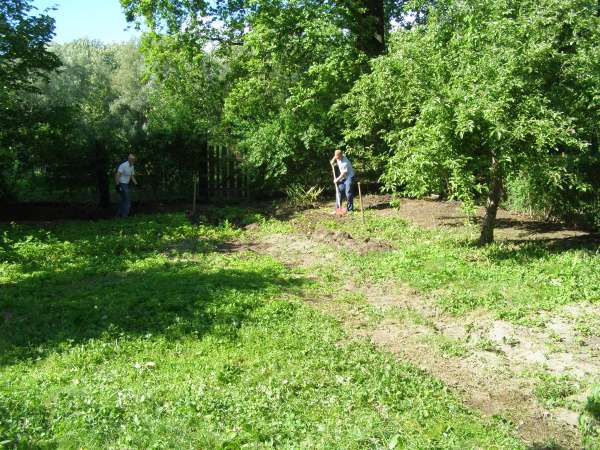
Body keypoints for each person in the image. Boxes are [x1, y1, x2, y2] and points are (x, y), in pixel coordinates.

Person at [115, 153, 138, 218]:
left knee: (123, 200)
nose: (133, 160)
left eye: (134, 159)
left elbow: (132, 176)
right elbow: (117, 175)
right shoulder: (123, 165)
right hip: (122, 184)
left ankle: (118, 215)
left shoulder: (132, 166)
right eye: (131, 159)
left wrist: (137, 184)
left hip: (126, 184)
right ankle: (125, 216)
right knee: (127, 201)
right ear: (129, 159)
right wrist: (117, 185)